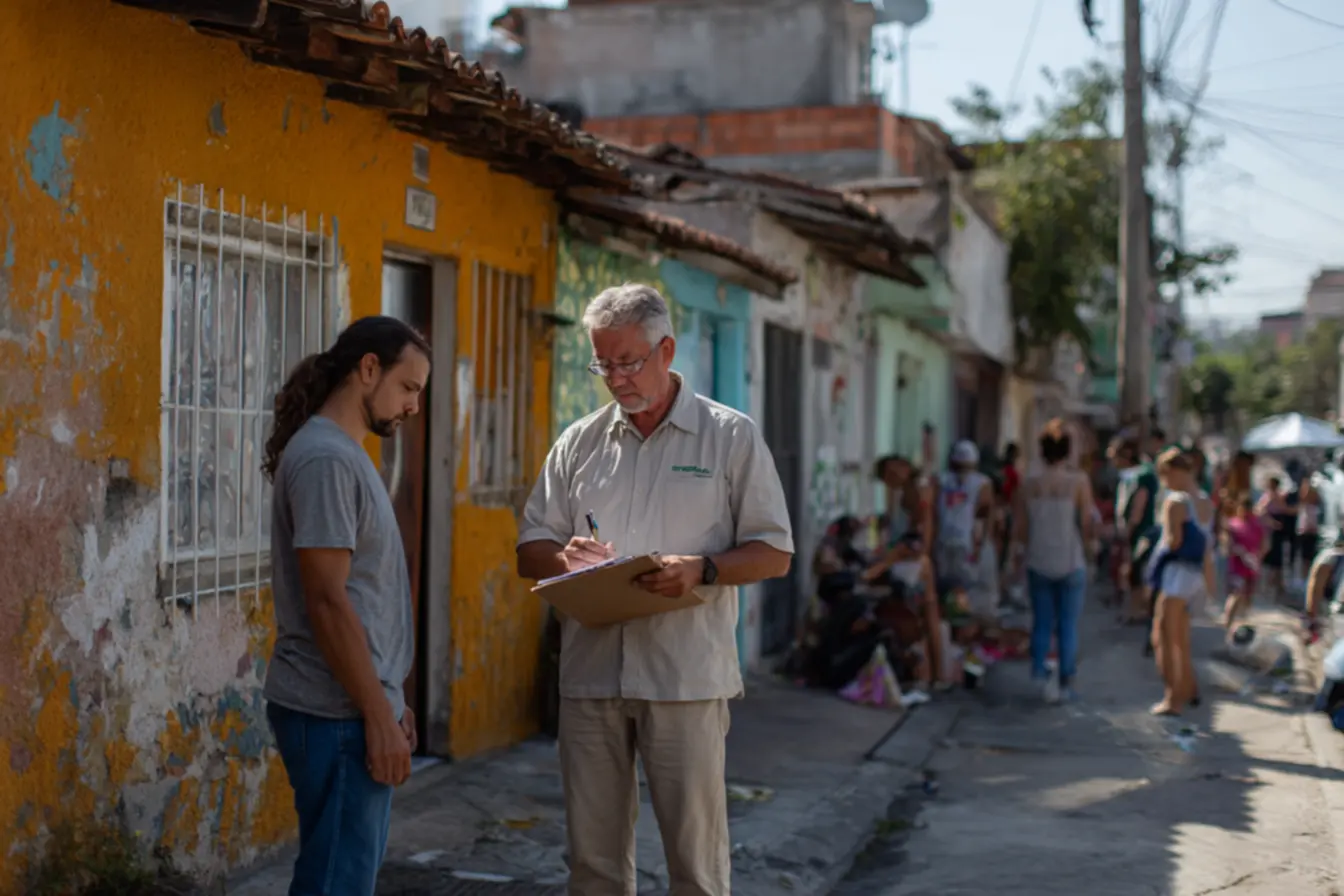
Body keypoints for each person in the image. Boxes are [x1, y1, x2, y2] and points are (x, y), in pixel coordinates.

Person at [516, 283, 793, 896]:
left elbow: (774, 553)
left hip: (685, 680)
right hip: (591, 680)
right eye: (603, 363)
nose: (615, 378)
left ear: (666, 349)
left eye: (628, 361)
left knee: (695, 868)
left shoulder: (731, 438)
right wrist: (567, 557)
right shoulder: (579, 443)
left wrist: (702, 569)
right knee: (593, 868)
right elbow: (529, 548)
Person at [261, 316, 431, 896]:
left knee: (342, 876)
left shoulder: (344, 455)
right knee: (336, 883)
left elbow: (360, 593)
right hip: (334, 714)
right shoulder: (328, 460)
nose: (413, 407)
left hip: (352, 706)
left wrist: (390, 697)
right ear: (367, 369)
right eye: (408, 388)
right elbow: (328, 602)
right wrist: (377, 715)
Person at [1010, 419, 1094, 704]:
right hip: (1071, 559)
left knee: (1042, 622)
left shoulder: (1028, 483)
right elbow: (1084, 523)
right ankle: (1065, 681)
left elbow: (1020, 529)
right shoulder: (1078, 482)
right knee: (1068, 625)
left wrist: (1016, 560)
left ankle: (1039, 674)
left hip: (1038, 559)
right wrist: (1091, 552)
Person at [1149, 448, 1215, 717]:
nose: (1163, 481)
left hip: (1176, 574)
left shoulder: (1175, 502)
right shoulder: (1205, 500)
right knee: (1182, 639)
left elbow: (1173, 541)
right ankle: (1189, 688)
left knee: (1163, 636)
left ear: (1175, 472)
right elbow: (1209, 547)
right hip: (1196, 575)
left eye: (1164, 475)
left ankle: (1172, 698)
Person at [933, 440, 998, 620]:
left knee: (948, 589)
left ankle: (949, 622)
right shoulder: (982, 483)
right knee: (968, 592)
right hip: (966, 544)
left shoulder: (941, 481)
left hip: (944, 542)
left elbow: (934, 515)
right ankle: (962, 626)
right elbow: (984, 518)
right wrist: (981, 545)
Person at [1111, 435, 1159, 625]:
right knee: (1133, 572)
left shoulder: (1142, 475)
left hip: (1142, 532)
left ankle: (1139, 610)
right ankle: (1135, 609)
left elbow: (1139, 504)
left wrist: (1128, 529)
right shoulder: (1135, 474)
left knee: (1136, 571)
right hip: (1138, 531)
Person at [1223, 495, 1266, 632]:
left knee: (1248, 596)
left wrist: (1257, 557)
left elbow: (1264, 544)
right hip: (1237, 566)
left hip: (1251, 566)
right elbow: (1227, 545)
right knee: (1236, 594)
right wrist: (1236, 550)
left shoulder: (1256, 525)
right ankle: (1228, 623)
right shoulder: (1232, 524)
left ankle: (1242, 624)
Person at [1256, 475, 1293, 600]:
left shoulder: (1278, 496)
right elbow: (1260, 511)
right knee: (1269, 558)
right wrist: (1272, 522)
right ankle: (1267, 586)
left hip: (1278, 532)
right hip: (1269, 532)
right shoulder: (1267, 497)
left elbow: (1284, 509)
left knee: (1277, 560)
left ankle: (1277, 586)